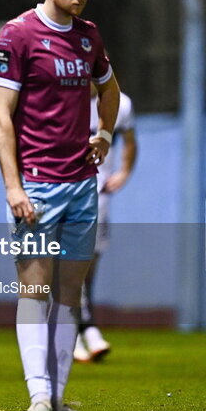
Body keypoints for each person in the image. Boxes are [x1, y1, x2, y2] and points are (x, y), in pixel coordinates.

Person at [0, 0, 120, 411]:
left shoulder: (88, 37)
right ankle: (38, 397)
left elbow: (110, 88)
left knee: (69, 294)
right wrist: (12, 186)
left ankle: (58, 399)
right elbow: (0, 115)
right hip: (38, 186)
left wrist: (103, 134)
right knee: (34, 290)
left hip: (83, 185)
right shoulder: (18, 34)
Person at [74, 86, 137, 363]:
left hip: (98, 194)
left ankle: (81, 327)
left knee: (90, 264)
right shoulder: (64, 98)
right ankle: (82, 330)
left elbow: (130, 140)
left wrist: (123, 173)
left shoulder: (119, 103)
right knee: (69, 262)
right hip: (67, 191)